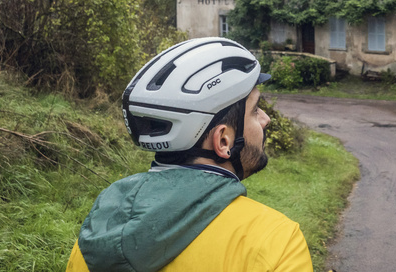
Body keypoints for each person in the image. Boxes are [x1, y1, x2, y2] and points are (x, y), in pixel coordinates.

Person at [66, 37, 313, 272]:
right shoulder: (277, 241)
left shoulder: (96, 235)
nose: (265, 119)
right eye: (255, 110)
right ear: (224, 140)